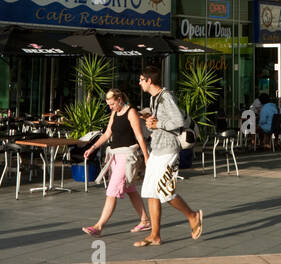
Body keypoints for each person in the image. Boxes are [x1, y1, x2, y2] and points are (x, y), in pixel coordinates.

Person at [134, 68, 203, 246]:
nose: (139, 82)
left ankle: (193, 216)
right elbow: (159, 123)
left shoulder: (166, 97)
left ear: (149, 80)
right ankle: (155, 235)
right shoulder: (153, 98)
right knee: (150, 191)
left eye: (141, 79)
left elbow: (178, 121)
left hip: (168, 150)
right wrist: (149, 120)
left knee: (165, 192)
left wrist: (158, 123)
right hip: (157, 148)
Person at [81, 89, 151, 237]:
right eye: (109, 104)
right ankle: (144, 220)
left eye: (112, 103)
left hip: (127, 157)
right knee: (130, 189)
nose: (110, 107)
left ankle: (98, 226)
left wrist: (146, 156)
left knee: (112, 191)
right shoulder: (115, 113)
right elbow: (107, 134)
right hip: (115, 157)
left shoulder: (130, 112)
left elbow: (139, 136)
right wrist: (92, 148)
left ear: (119, 99)